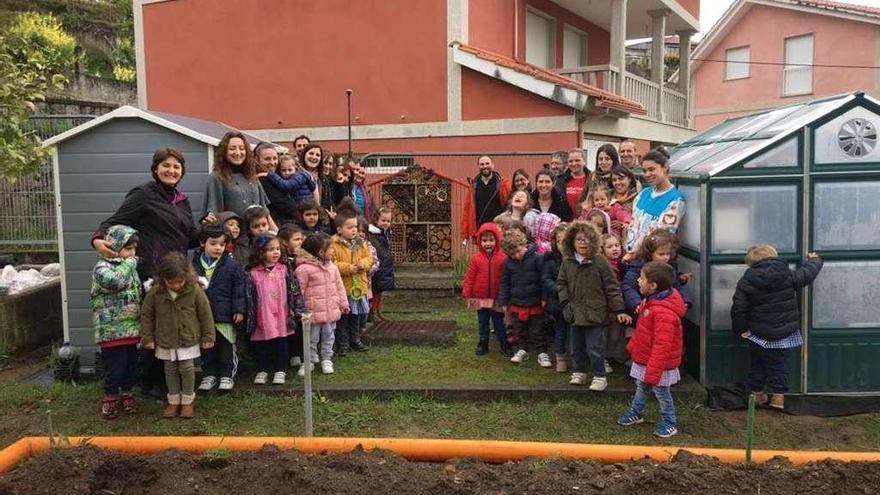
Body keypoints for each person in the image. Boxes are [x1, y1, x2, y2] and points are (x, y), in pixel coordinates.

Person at [91, 147, 200, 400]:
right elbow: (114, 223)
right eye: (166, 166)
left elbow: (189, 237)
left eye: (176, 167)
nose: (171, 171)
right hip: (151, 273)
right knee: (157, 326)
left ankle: (167, 382)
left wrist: (210, 231)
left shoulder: (182, 200)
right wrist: (97, 239)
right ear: (156, 169)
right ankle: (151, 383)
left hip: (177, 271)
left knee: (173, 325)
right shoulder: (143, 194)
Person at [732, 246, 823, 411]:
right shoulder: (786, 275)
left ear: (751, 263)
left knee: (757, 363)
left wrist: (741, 329)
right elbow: (807, 274)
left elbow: (739, 308)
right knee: (778, 364)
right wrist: (815, 260)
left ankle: (757, 394)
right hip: (782, 331)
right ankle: (778, 397)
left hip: (757, 332)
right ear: (775, 258)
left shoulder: (746, 280)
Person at [557, 222, 631, 391]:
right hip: (574, 312)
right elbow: (561, 283)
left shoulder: (600, 261)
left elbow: (612, 286)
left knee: (595, 347)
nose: (583, 243)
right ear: (571, 242)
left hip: (595, 313)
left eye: (587, 239)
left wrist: (618, 308)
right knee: (576, 346)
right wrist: (565, 302)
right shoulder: (567, 261)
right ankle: (579, 371)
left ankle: (599, 376)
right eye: (579, 240)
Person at [140, 252, 215, 419]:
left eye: (179, 281)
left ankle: (188, 401)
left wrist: (208, 336)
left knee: (187, 368)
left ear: (186, 276)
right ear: (162, 279)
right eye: (170, 282)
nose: (175, 286)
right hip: (165, 338)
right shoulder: (155, 292)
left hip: (188, 337)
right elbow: (147, 315)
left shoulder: (194, 290)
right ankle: (173, 400)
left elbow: (205, 314)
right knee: (170, 369)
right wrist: (148, 337)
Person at [617, 261, 686, 438]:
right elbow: (645, 331)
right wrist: (634, 347)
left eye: (641, 278)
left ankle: (669, 422)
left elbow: (662, 345)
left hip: (658, 364)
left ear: (653, 285)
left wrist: (654, 371)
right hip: (646, 358)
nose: (638, 281)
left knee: (662, 392)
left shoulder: (663, 313)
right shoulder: (652, 302)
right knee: (642, 386)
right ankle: (636, 412)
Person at [91, 225, 141, 420]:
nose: (132, 253)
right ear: (114, 247)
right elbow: (115, 282)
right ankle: (110, 397)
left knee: (130, 365)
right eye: (128, 248)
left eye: (134, 249)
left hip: (131, 329)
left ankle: (127, 393)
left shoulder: (130, 266)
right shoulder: (102, 268)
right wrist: (129, 264)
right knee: (115, 367)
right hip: (111, 330)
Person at [245, 233, 304, 385]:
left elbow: (295, 290)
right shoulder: (253, 273)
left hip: (282, 314)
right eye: (270, 249)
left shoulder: (284, 269)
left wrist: (298, 309)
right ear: (260, 251)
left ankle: (280, 370)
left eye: (277, 248)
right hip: (262, 315)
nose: (276, 252)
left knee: (281, 344)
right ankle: (263, 369)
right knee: (262, 345)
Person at [193, 225, 246, 392]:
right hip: (202, 316)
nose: (218, 248)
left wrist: (239, 309)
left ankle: (227, 375)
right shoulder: (193, 265)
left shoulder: (231, 265)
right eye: (213, 243)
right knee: (207, 347)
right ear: (203, 243)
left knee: (226, 347)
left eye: (222, 244)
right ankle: (209, 374)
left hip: (225, 315)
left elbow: (239, 289)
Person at [296, 233, 349, 376]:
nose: (333, 251)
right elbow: (298, 292)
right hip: (312, 312)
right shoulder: (303, 269)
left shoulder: (333, 268)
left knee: (329, 336)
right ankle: (309, 360)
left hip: (330, 311)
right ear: (320, 252)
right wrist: (299, 309)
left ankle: (327, 358)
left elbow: (339, 286)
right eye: (330, 248)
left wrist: (344, 303)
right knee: (310, 339)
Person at [203, 131, 276, 231]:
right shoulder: (216, 178)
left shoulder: (252, 177)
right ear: (224, 152)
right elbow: (214, 214)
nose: (238, 153)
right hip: (233, 238)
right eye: (232, 149)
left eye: (242, 148)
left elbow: (264, 212)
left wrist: (277, 234)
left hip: (256, 237)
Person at [498, 230, 548, 368]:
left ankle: (542, 352)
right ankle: (522, 349)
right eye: (512, 254)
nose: (517, 256)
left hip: (535, 301)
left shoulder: (537, 258)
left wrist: (544, 297)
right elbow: (504, 282)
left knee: (538, 329)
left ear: (523, 244)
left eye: (518, 251)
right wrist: (503, 300)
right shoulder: (508, 264)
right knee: (519, 329)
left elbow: (544, 280)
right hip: (517, 302)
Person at [623, 150, 685, 260]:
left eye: (651, 169)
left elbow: (661, 235)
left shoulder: (675, 200)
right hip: (629, 255)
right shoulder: (644, 193)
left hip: (651, 262)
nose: (647, 174)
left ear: (665, 167)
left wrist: (635, 253)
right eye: (644, 170)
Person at [331, 208, 374, 356]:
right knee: (343, 318)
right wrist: (348, 268)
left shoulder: (361, 243)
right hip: (343, 288)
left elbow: (369, 258)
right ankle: (342, 344)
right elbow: (332, 263)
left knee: (356, 317)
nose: (354, 230)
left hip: (358, 286)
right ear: (339, 229)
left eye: (355, 227)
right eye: (350, 227)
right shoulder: (333, 244)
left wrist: (363, 263)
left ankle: (355, 340)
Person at [622, 230, 692, 321]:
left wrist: (685, 300)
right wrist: (636, 303)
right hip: (644, 311)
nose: (666, 257)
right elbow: (628, 285)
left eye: (668, 254)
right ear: (650, 253)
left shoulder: (669, 268)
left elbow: (675, 286)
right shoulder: (639, 266)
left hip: (665, 311)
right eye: (661, 254)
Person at [462, 223, 509, 356]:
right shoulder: (476, 259)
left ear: (497, 241)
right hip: (479, 297)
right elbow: (470, 277)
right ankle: (483, 343)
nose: (488, 243)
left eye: (491, 240)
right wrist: (467, 292)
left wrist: (505, 296)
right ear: (479, 242)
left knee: (498, 321)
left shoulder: (502, 258)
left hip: (496, 297)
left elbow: (505, 278)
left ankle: (504, 343)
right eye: (484, 240)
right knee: (482, 322)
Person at [461, 155, 511, 241]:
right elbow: (467, 209)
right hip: (481, 228)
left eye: (487, 163)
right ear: (478, 166)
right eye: (482, 164)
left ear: (493, 165)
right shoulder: (474, 186)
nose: (485, 166)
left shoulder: (502, 183)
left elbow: (509, 204)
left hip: (499, 228)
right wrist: (465, 233)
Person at [542, 222, 570, 373]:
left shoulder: (577, 259)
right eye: (559, 241)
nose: (562, 245)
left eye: (566, 241)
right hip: (558, 302)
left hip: (575, 302)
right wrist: (560, 291)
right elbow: (546, 280)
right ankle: (560, 358)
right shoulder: (551, 260)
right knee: (560, 330)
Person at [278, 224, 307, 369]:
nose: (300, 242)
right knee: (289, 326)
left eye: (301, 239)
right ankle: (291, 354)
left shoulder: (304, 255)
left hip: (301, 298)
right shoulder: (281, 260)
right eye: (296, 239)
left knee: (300, 325)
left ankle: (300, 353)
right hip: (285, 299)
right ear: (284, 242)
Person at [262, 153, 315, 226]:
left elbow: (287, 185)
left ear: (295, 168)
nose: (287, 173)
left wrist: (270, 175)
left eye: (290, 170)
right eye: (283, 170)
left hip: (304, 205)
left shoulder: (299, 176)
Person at [601, 233, 628, 368]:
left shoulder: (621, 263)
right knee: (605, 333)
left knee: (615, 333)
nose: (614, 249)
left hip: (616, 304)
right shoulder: (605, 266)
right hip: (607, 305)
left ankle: (611, 356)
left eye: (617, 245)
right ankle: (603, 358)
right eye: (610, 246)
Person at [367, 207, 396, 321]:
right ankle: (372, 312)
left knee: (379, 291)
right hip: (377, 267)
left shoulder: (384, 234)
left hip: (384, 266)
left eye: (388, 221)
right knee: (374, 291)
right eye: (383, 220)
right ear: (376, 220)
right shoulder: (373, 235)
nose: (386, 223)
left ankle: (377, 310)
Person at [299, 143, 336, 216]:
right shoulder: (296, 174)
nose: (314, 157)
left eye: (317, 155)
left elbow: (327, 203)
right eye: (311, 153)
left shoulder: (323, 179)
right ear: (304, 155)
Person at [555, 149, 590, 216]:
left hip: (587, 221)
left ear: (584, 162)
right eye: (571, 161)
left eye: (577, 160)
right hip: (566, 221)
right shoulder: (559, 180)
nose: (574, 164)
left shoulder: (592, 178)